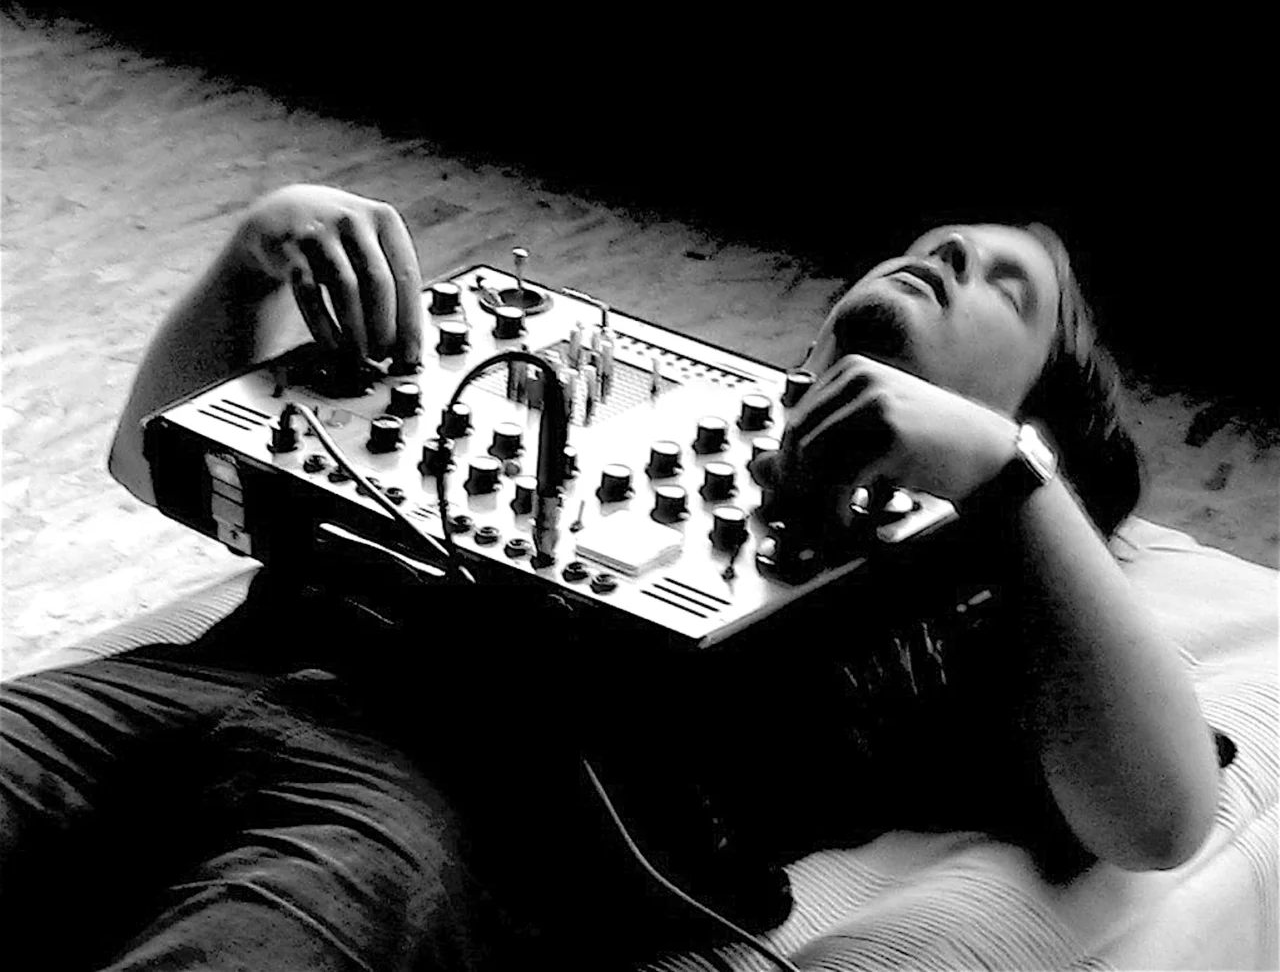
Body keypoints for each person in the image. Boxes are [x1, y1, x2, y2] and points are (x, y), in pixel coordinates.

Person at [0, 184, 1227, 971]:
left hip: (445, 816)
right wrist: (253, 259)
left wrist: (1007, 482)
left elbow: (1159, 815)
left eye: (1003, 284)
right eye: (925, 241)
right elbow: (156, 463)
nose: (948, 245)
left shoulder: (970, 597)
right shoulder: (604, 385)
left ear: (1039, 423)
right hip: (200, 686)